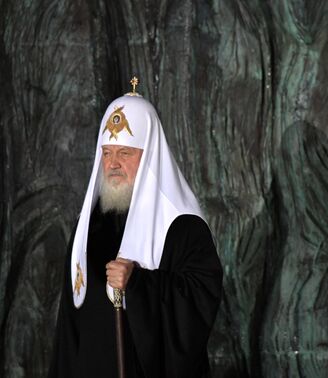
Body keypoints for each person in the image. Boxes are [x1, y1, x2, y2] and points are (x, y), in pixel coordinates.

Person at [49, 80, 223, 377]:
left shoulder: (183, 225)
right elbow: (69, 322)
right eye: (107, 153)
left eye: (125, 153)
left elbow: (199, 302)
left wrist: (138, 283)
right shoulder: (89, 226)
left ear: (149, 158)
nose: (113, 164)